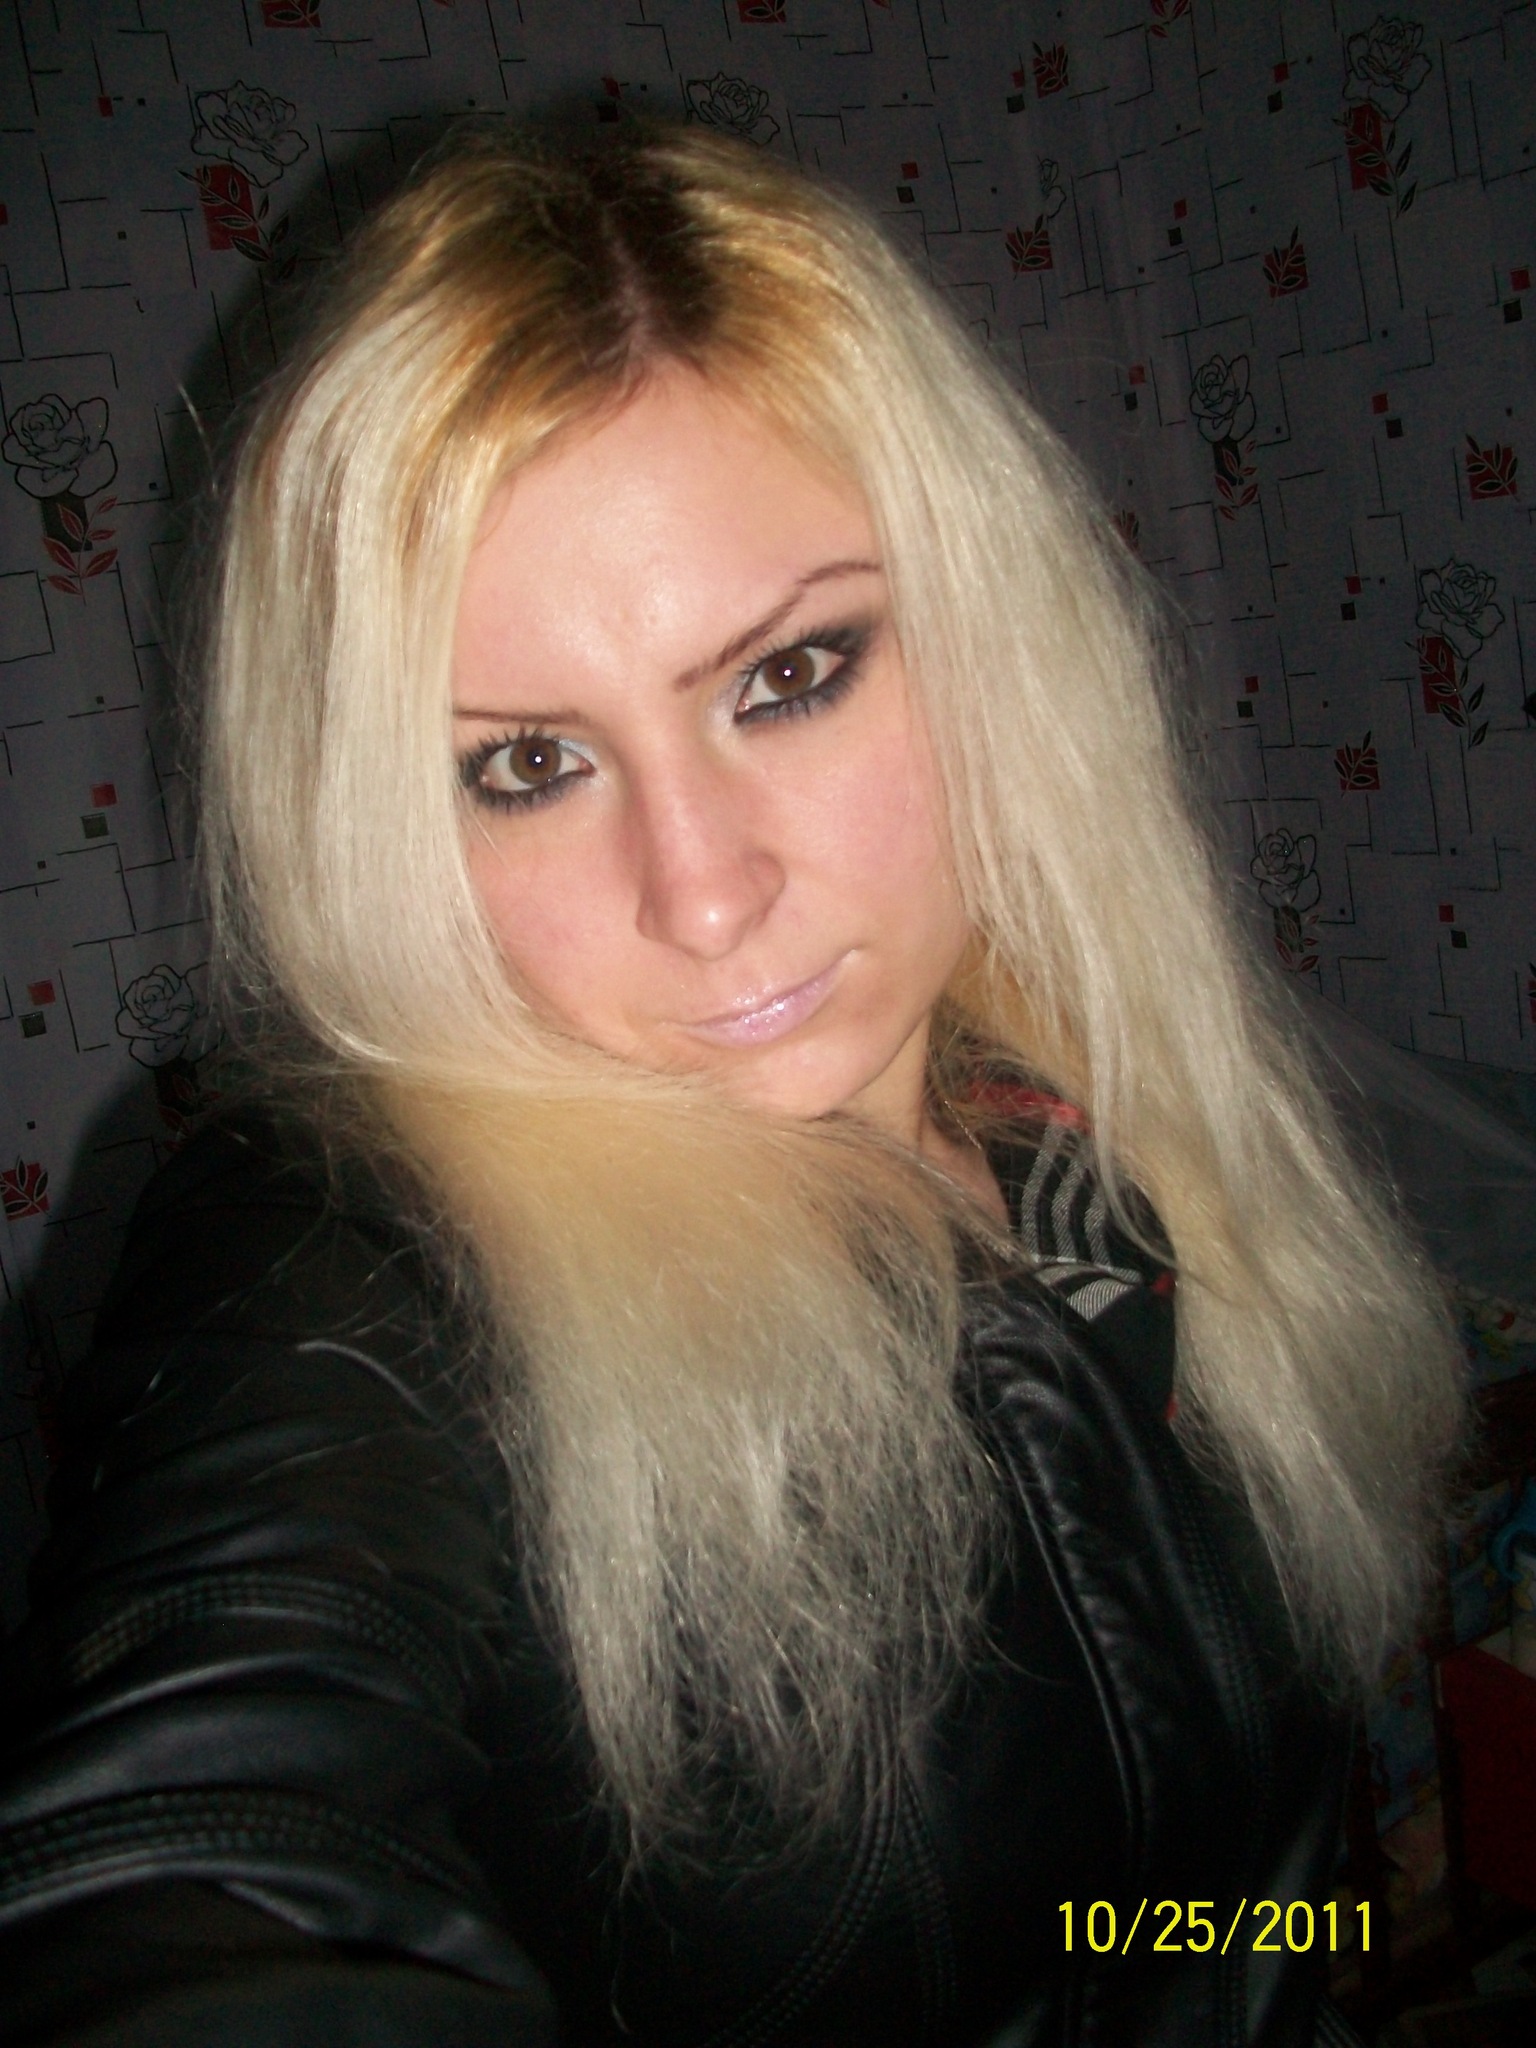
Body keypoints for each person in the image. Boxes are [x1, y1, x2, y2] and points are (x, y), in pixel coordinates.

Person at [0, 127, 1461, 2046]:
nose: (701, 894)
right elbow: (178, 1864)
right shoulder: (345, 1246)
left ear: (988, 636)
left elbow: (1209, 1908)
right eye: (525, 766)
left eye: (790, 676)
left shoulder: (1087, 1122)